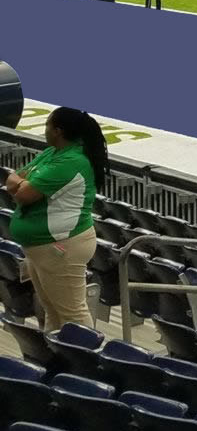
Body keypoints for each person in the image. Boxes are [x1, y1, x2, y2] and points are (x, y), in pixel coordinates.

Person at [3, 106, 108, 330]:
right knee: (51, 309)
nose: (45, 130)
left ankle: (85, 361)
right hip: (43, 247)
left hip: (62, 246)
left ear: (58, 131)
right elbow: (12, 179)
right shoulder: (53, 152)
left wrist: (24, 184)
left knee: (73, 314)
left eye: (47, 126)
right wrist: (24, 183)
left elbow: (22, 194)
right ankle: (59, 355)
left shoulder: (72, 161)